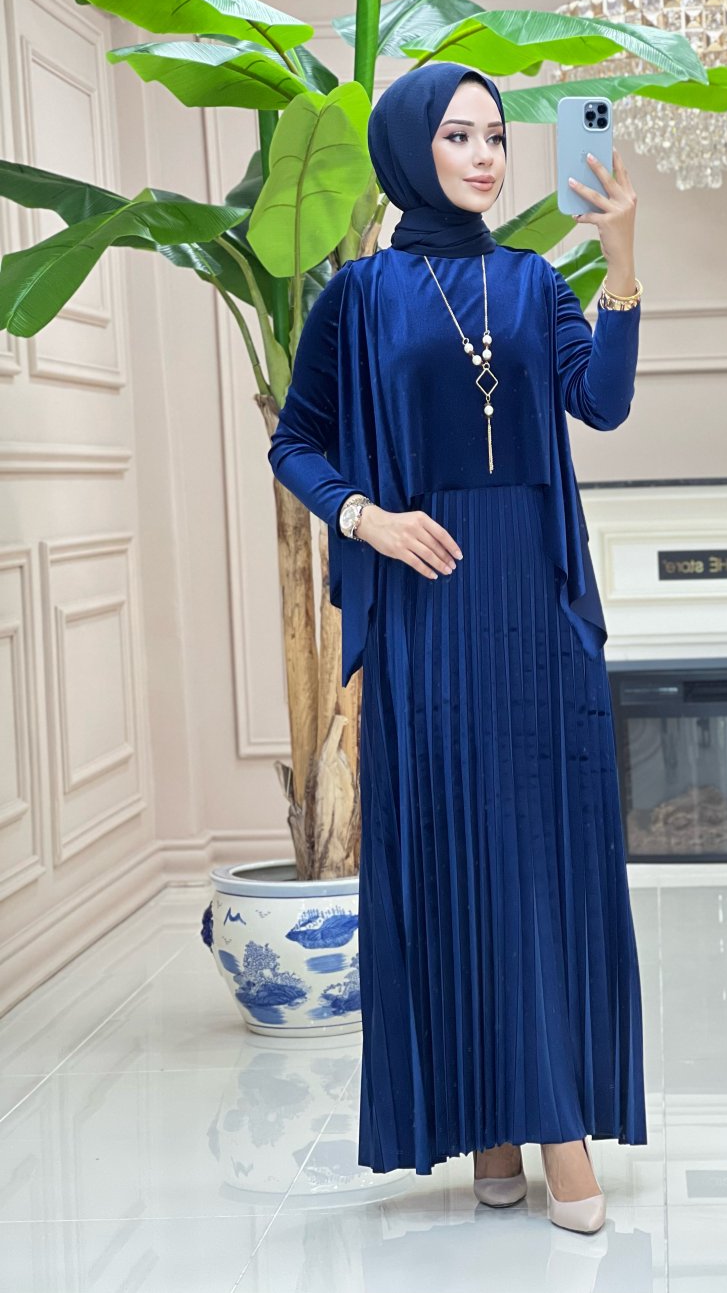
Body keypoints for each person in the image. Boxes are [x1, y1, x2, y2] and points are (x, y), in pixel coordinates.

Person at [267, 61, 646, 1235]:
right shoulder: (358, 297)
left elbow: (603, 404)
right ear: (409, 150)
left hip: (532, 599)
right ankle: (497, 1122)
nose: (483, 156)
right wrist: (365, 519)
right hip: (426, 608)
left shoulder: (536, 282)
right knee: (454, 850)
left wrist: (621, 258)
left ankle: (546, 1121)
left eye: (493, 137)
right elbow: (296, 442)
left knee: (535, 853)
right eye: (457, 136)